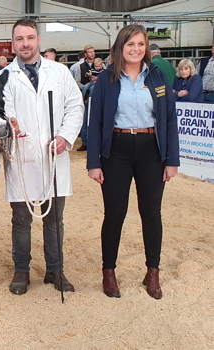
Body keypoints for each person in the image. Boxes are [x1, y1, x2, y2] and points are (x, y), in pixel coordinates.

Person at [87, 24, 179, 300]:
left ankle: (152, 272)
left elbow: (170, 120)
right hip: (117, 150)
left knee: (151, 214)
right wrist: (94, 162)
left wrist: (171, 159)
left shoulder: (158, 76)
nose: (136, 49)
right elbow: (96, 122)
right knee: (115, 214)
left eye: (141, 44)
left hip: (152, 150)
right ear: (121, 47)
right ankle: (109, 272)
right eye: (130, 44)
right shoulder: (106, 80)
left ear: (146, 47)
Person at [0, 18, 83, 295]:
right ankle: (21, 271)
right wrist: (7, 130)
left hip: (53, 155)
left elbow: (75, 106)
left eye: (30, 37)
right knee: (21, 219)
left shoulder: (59, 72)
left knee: (54, 219)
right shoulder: (2, 78)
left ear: (38, 40)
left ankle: (55, 270)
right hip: (20, 156)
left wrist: (66, 136)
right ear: (13, 43)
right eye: (20, 39)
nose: (25, 43)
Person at [78, 58, 106, 152]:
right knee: (86, 87)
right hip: (90, 86)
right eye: (96, 66)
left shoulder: (104, 72)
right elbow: (87, 77)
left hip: (96, 96)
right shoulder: (88, 69)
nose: (97, 67)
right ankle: (84, 98)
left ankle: (89, 99)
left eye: (98, 65)